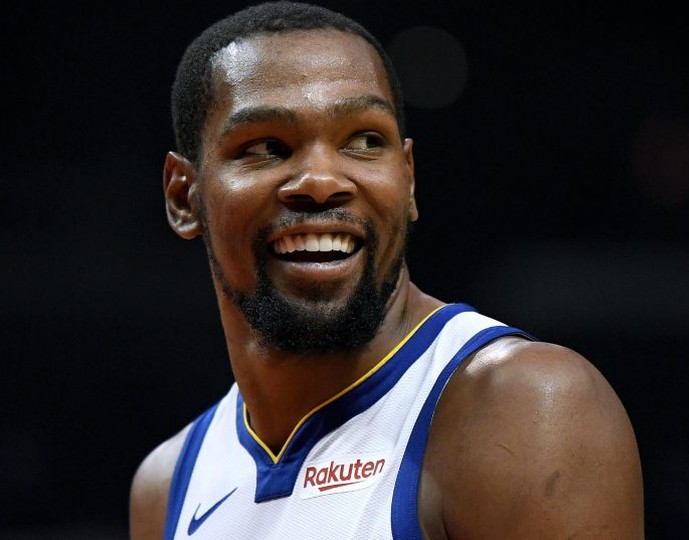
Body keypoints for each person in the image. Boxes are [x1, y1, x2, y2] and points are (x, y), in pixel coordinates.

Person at [129, 1, 644, 538]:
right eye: (267, 147)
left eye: (364, 141)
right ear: (183, 198)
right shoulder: (166, 485)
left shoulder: (525, 409)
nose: (322, 180)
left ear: (409, 178)